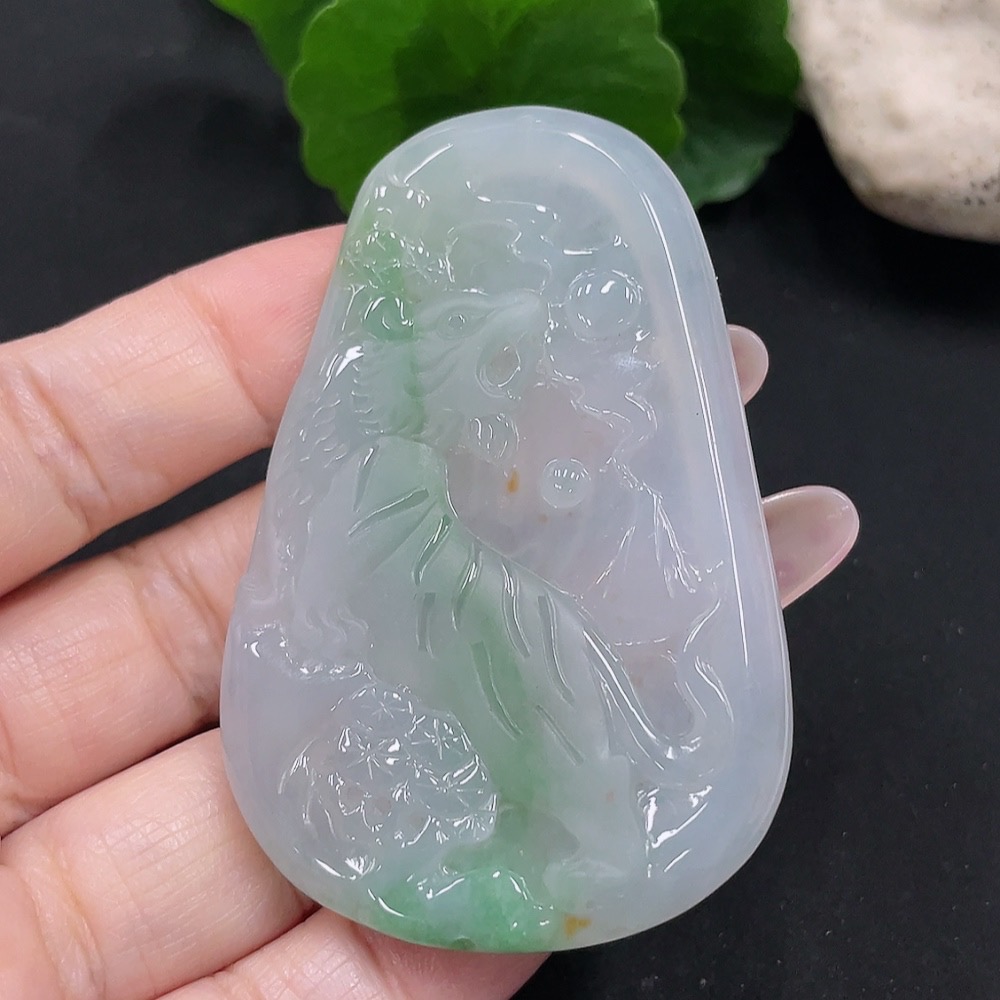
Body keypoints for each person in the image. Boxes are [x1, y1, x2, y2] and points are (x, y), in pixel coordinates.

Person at [0, 227, 858, 1000]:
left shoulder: (425, 493)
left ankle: (585, 838)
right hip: (456, 608)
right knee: (523, 710)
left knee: (543, 718)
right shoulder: (389, 466)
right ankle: (549, 830)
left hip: (483, 616)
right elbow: (344, 561)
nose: (505, 394)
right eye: (495, 367)